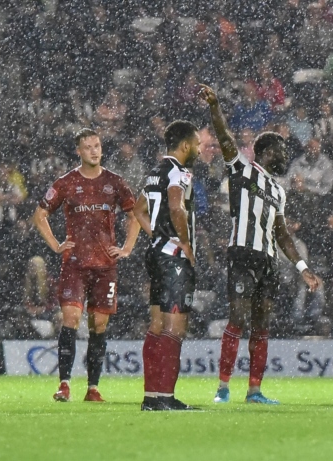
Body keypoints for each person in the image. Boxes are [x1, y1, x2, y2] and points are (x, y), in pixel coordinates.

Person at [199, 84, 320, 404]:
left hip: (267, 261)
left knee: (262, 325)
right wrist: (215, 107)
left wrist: (303, 268)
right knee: (237, 319)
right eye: (281, 149)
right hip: (241, 254)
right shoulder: (243, 169)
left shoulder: (279, 191)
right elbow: (224, 137)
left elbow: (281, 234)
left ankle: (254, 390)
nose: (284, 155)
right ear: (267, 151)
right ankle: (223, 388)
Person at [32, 128, 139, 403]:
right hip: (75, 264)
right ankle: (64, 384)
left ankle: (92, 388)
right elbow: (39, 215)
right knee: (70, 320)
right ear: (78, 151)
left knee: (98, 325)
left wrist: (127, 248)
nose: (94, 150)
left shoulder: (115, 182)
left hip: (106, 266)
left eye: (97, 145)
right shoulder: (66, 182)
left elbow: (136, 214)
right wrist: (56, 245)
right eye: (88, 147)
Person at [133, 120, 201, 411]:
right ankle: (165, 397)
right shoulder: (179, 172)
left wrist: (156, 236)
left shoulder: (153, 172)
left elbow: (138, 211)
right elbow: (176, 206)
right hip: (173, 257)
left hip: (155, 253)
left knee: (157, 325)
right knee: (175, 328)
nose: (199, 148)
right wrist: (183, 242)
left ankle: (151, 397)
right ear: (185, 145)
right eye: (196, 143)